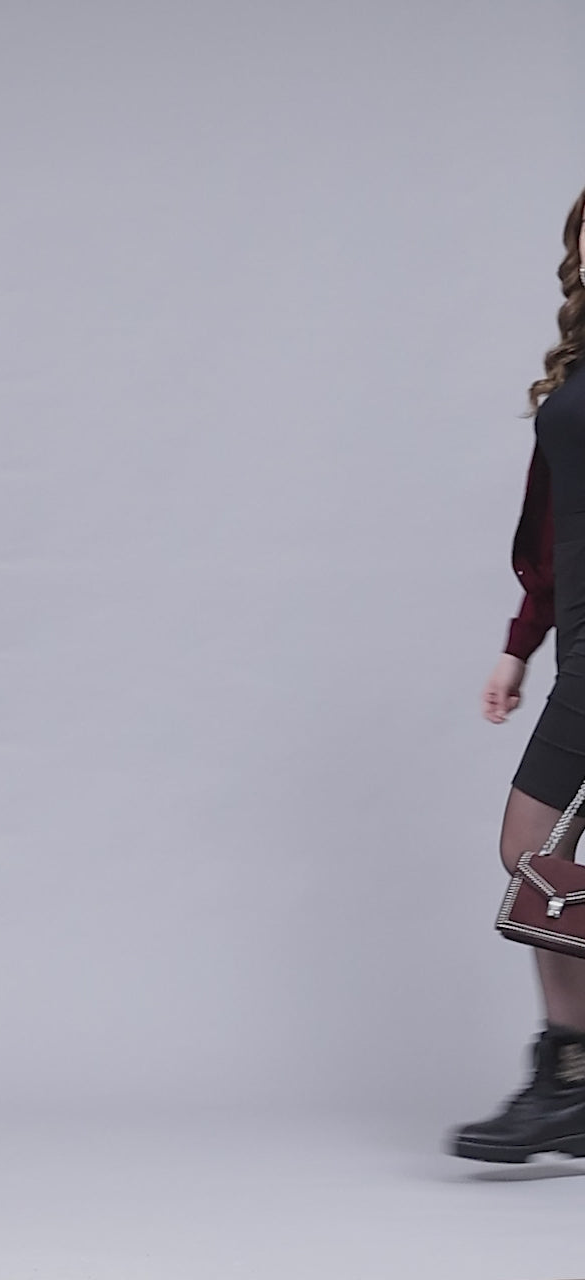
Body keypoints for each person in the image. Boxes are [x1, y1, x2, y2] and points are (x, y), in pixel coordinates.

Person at [448, 185, 585, 1162]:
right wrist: (519, 642)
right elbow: (547, 528)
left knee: (538, 849)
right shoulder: (575, 370)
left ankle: (566, 1078)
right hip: (579, 643)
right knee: (535, 852)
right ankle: (569, 1078)